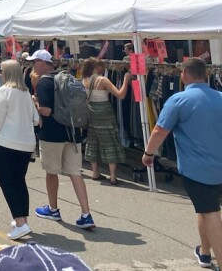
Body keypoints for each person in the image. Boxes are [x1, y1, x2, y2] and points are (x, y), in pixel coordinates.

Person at [142, 57, 222, 270]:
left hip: (198, 169)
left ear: (184, 74)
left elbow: (159, 130)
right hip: (217, 164)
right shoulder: (220, 97)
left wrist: (149, 153)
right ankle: (205, 253)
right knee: (204, 210)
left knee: (211, 213)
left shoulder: (179, 100)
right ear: (205, 75)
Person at [28, 49, 95, 229]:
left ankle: (53, 209)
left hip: (52, 134)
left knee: (51, 172)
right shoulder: (69, 78)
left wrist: (34, 102)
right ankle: (86, 214)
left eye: (35, 62)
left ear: (43, 63)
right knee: (75, 173)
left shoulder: (44, 82)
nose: (33, 65)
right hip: (72, 133)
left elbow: (46, 111)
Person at [0, 59, 41, 240]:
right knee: (18, 181)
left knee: (6, 181)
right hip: (26, 143)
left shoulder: (4, 91)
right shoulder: (25, 93)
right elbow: (36, 120)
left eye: (1, 71)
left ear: (7, 73)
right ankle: (21, 219)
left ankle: (21, 222)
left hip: (8, 142)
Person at [82, 57, 130, 185]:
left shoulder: (84, 80)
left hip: (92, 111)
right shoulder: (102, 80)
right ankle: (113, 176)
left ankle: (95, 172)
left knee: (93, 140)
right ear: (97, 67)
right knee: (109, 141)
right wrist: (126, 79)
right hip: (104, 111)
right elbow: (120, 94)